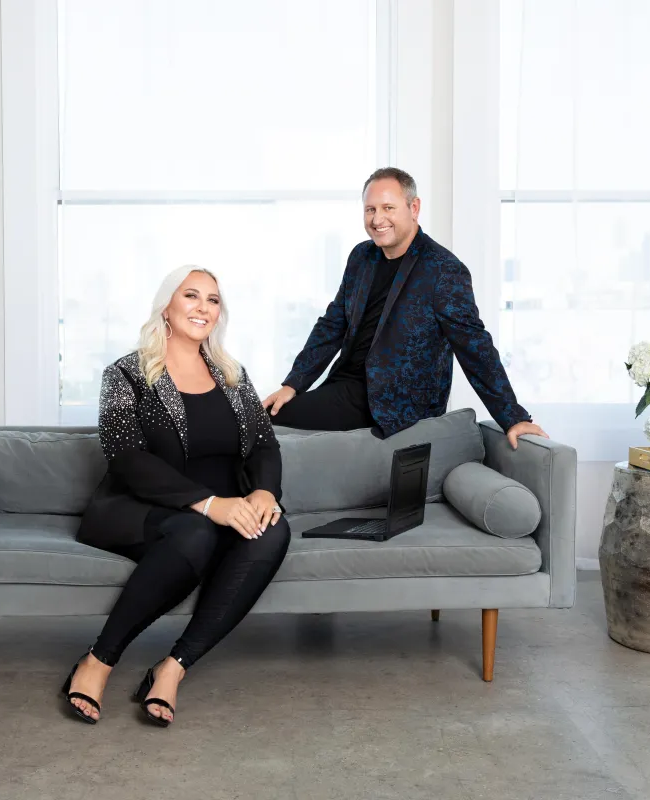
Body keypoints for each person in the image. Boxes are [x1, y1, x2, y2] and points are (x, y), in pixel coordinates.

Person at [69, 266, 289, 728]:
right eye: (191, 295)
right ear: (166, 306)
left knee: (272, 530)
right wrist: (209, 504)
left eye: (213, 300)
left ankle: (172, 668)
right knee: (195, 533)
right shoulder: (126, 374)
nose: (203, 307)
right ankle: (98, 660)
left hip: (222, 512)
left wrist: (264, 490)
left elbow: (264, 444)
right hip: (141, 509)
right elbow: (126, 457)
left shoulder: (232, 374)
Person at [263, 167, 547, 449]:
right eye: (370, 209)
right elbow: (332, 324)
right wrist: (293, 384)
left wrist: (513, 417)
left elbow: (475, 347)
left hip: (394, 402)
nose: (377, 219)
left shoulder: (443, 269)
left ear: (414, 208)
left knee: (260, 422)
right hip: (346, 385)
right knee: (260, 417)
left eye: (388, 208)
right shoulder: (361, 256)